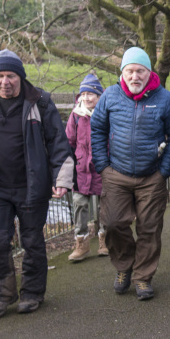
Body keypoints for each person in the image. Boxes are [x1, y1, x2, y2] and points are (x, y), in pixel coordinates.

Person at [0, 49, 74, 319]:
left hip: (31, 186)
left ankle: (33, 293)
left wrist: (62, 179)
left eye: (10, 76)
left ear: (20, 77)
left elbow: (58, 143)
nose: (5, 81)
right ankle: (1, 295)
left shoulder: (40, 103)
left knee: (32, 240)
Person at [90, 47, 170, 301]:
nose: (134, 76)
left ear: (148, 72)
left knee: (149, 228)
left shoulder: (164, 98)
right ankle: (124, 267)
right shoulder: (110, 96)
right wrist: (102, 166)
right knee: (112, 224)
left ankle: (143, 277)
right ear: (123, 72)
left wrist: (164, 169)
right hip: (116, 175)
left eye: (140, 71)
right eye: (129, 71)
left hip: (151, 176)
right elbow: (96, 130)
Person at [66, 73, 107, 262]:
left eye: (90, 94)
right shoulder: (75, 116)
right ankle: (81, 243)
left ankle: (104, 240)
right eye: (83, 94)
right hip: (81, 169)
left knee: (102, 206)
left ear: (99, 96)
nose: (86, 98)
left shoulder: (107, 112)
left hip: (101, 167)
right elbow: (69, 142)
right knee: (79, 205)